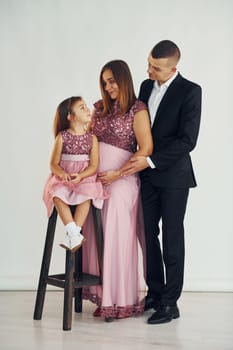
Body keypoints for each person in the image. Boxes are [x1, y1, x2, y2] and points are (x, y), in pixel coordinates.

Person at [122, 40, 202, 324]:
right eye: (148, 63)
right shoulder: (145, 86)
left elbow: (187, 141)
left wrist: (151, 160)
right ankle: (154, 293)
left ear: (173, 68)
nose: (148, 70)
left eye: (155, 67)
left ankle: (170, 303)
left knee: (172, 237)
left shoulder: (191, 91)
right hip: (146, 175)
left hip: (174, 176)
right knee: (148, 236)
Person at [82, 60, 153, 322]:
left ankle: (119, 300)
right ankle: (102, 296)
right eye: (104, 81)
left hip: (123, 181)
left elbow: (145, 150)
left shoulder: (138, 109)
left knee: (114, 234)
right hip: (97, 182)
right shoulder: (99, 109)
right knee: (94, 233)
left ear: (123, 79)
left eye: (112, 80)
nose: (108, 86)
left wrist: (117, 174)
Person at [43, 96, 107, 252]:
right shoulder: (62, 137)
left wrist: (82, 176)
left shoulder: (92, 139)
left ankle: (73, 234)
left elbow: (93, 165)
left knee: (86, 195)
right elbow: (53, 163)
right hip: (64, 179)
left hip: (84, 179)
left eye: (85, 106)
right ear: (70, 117)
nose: (87, 109)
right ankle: (73, 231)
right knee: (56, 194)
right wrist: (62, 173)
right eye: (82, 107)